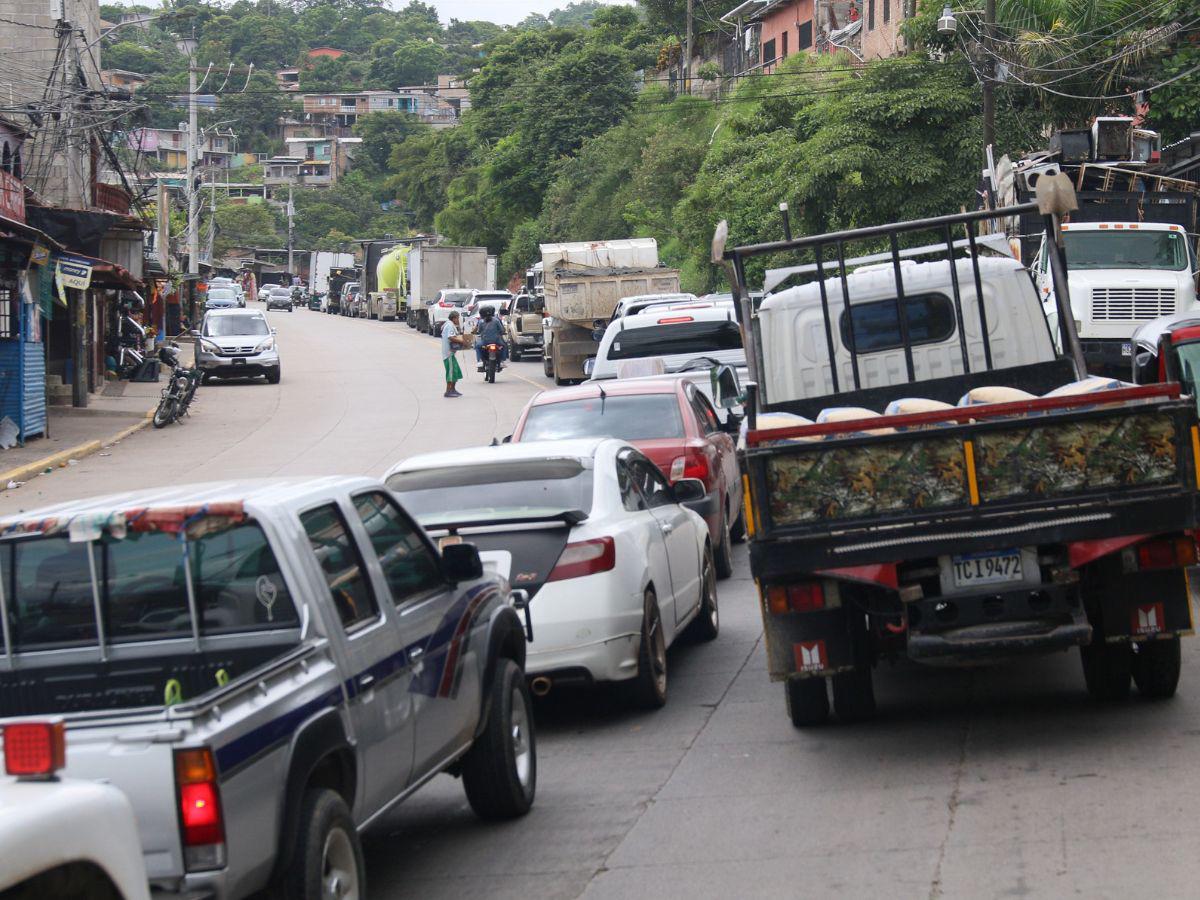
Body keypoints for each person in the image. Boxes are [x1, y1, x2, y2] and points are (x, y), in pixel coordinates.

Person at [474, 306, 509, 371]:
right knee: (504, 346)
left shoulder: (481, 322)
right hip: (496, 341)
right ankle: (502, 361)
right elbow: (501, 330)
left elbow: (479, 331)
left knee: (477, 347)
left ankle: (480, 361)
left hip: (485, 342)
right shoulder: (496, 320)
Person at [441, 310, 466, 398]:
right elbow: (451, 337)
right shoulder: (449, 325)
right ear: (454, 318)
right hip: (448, 354)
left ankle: (453, 389)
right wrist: (462, 341)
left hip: (451, 353)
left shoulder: (451, 325)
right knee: (451, 373)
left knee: (456, 372)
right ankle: (448, 391)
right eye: (458, 318)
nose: (458, 320)